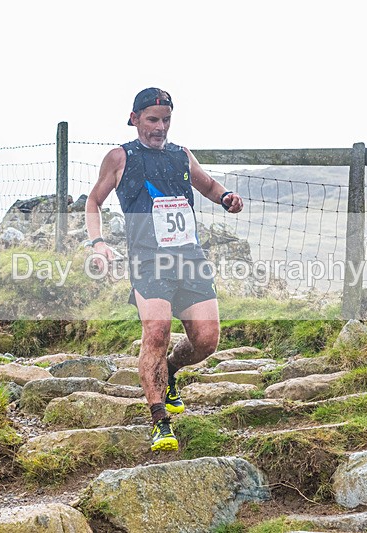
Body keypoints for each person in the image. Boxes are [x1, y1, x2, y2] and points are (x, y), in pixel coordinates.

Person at [85, 88, 244, 451]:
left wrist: (225, 198)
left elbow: (207, 185)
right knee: (156, 332)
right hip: (148, 260)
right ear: (135, 118)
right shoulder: (120, 157)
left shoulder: (180, 154)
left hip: (190, 259)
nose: (160, 127)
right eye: (153, 120)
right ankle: (160, 420)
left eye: (166, 120)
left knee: (206, 340)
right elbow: (94, 201)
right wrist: (98, 243)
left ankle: (170, 371)